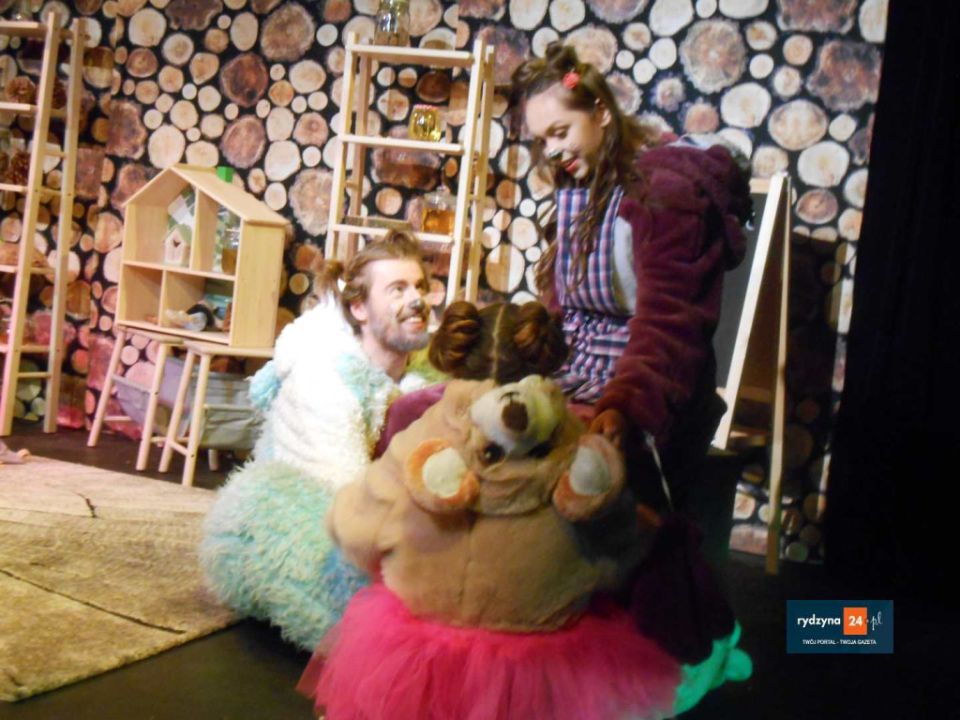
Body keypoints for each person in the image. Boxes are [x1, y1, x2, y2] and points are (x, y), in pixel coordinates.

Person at [511, 43, 752, 512]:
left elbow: (670, 325)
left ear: (600, 112)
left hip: (648, 389)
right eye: (542, 140)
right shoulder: (581, 189)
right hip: (578, 374)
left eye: (560, 131)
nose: (552, 151)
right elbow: (561, 309)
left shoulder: (664, 195)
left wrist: (626, 406)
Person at [200, 231, 442, 650]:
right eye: (398, 289)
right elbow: (344, 498)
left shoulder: (423, 375)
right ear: (359, 308)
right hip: (297, 507)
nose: (416, 300)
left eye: (419, 287)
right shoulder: (326, 379)